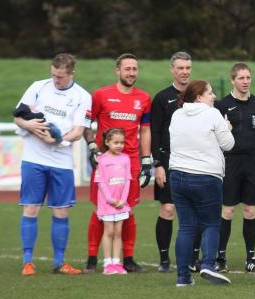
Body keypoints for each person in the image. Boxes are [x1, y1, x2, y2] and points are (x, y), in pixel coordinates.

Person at [15, 53, 91, 276]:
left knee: (61, 212)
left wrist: (57, 139)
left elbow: (78, 131)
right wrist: (32, 127)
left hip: (61, 161)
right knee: (31, 208)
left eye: (60, 77)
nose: (55, 80)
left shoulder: (82, 96)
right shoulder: (38, 87)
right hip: (33, 159)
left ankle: (60, 262)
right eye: (53, 75)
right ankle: (27, 261)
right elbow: (18, 117)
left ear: (71, 74)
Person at [83, 53, 151, 273]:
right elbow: (86, 122)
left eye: (134, 69)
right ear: (118, 71)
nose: (131, 73)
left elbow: (146, 129)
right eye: (127, 69)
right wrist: (92, 145)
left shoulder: (144, 98)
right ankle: (92, 258)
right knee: (100, 210)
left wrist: (146, 158)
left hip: (130, 162)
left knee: (127, 210)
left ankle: (127, 259)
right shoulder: (101, 95)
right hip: (105, 163)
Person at [169, 80, 235, 286]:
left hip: (178, 174)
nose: (214, 96)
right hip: (206, 175)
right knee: (211, 223)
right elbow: (229, 144)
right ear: (199, 97)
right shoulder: (212, 114)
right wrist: (227, 127)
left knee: (186, 227)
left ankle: (183, 277)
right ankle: (207, 264)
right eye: (210, 93)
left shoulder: (177, 114)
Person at [214, 62, 255, 273]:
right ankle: (220, 257)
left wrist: (254, 147)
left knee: (249, 210)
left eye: (248, 77)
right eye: (241, 78)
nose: (245, 81)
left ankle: (251, 258)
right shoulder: (221, 106)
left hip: (252, 162)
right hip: (229, 162)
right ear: (233, 80)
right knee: (228, 210)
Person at [151, 51, 201, 273]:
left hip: (196, 161)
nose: (184, 72)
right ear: (172, 69)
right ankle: (164, 260)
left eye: (188, 68)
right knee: (168, 209)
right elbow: (155, 132)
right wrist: (158, 164)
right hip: (170, 161)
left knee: (195, 211)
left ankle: (193, 258)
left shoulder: (200, 96)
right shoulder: (162, 98)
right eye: (180, 68)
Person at [95, 128, 132, 275]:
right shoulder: (102, 160)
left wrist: (123, 200)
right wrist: (111, 200)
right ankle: (107, 263)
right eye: (116, 142)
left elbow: (128, 180)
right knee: (109, 231)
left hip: (121, 204)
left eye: (122, 142)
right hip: (107, 204)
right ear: (107, 142)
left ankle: (117, 263)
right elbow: (100, 182)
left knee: (118, 232)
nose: (119, 145)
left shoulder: (125, 158)